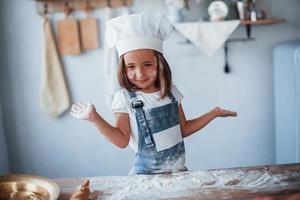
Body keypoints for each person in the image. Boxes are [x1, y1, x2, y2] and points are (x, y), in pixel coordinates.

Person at [70, 12, 237, 175]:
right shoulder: (124, 99)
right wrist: (94, 118)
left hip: (178, 174)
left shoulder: (171, 92)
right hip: (145, 180)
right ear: (123, 68)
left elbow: (183, 129)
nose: (140, 73)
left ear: (160, 63)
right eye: (131, 67)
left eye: (147, 64)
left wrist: (213, 113)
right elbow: (121, 141)